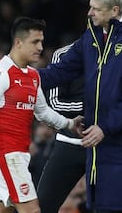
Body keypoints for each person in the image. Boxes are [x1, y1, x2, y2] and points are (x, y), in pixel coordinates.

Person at [38, 0, 122, 212]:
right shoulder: (91, 36)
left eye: (96, 8)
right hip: (99, 147)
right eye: (90, 7)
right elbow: (63, 71)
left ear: (115, 10)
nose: (89, 12)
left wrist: (105, 127)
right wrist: (25, 77)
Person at [0, 17, 83, 213]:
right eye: (34, 42)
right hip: (6, 155)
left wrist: (69, 123)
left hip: (18, 154)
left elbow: (43, 112)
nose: (40, 47)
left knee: (0, 210)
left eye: (41, 42)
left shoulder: (32, 75)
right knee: (32, 210)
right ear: (18, 42)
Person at [37, 43, 87, 213]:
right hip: (69, 142)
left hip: (107, 145)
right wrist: (95, 109)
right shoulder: (64, 54)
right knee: (43, 206)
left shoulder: (119, 53)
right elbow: (55, 103)